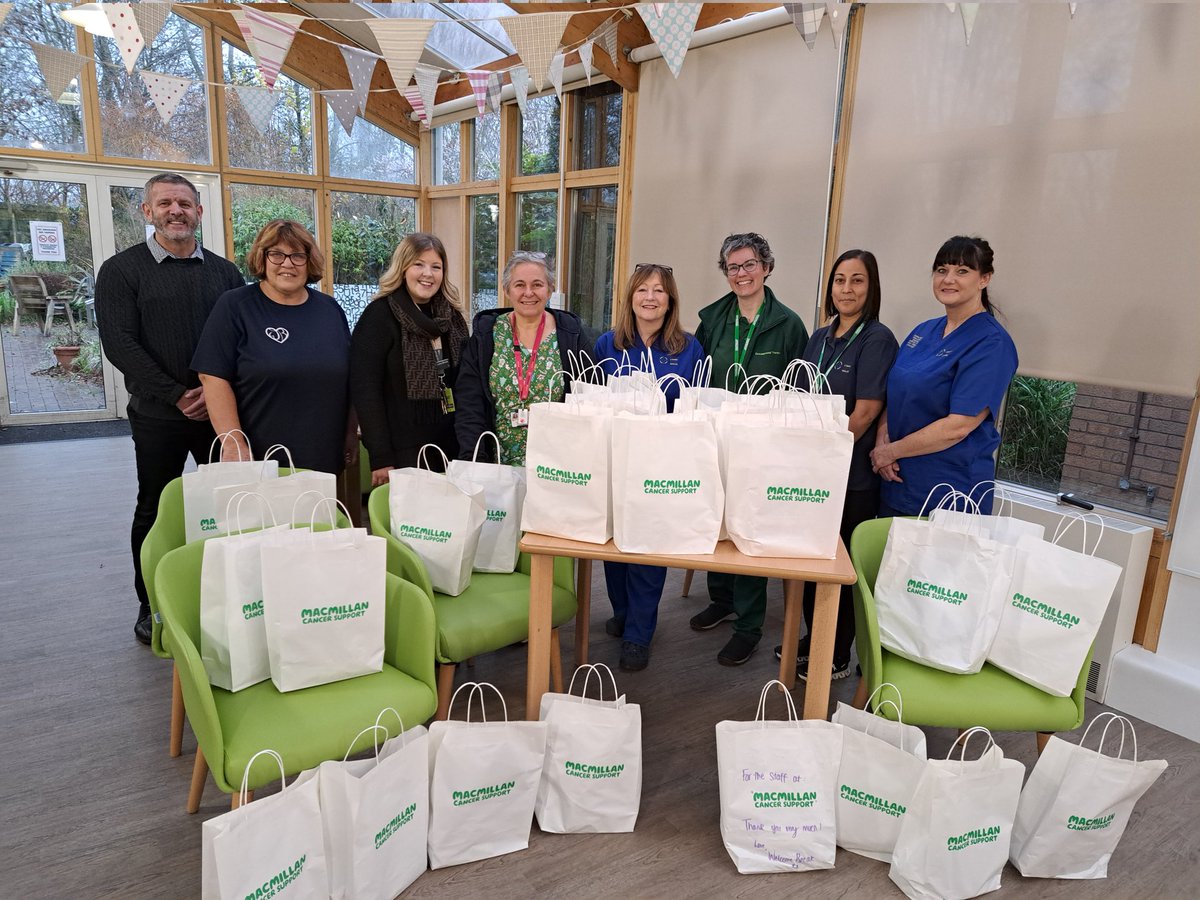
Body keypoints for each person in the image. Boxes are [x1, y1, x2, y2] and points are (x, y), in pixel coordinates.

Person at [95, 173, 243, 645]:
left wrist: (214, 393)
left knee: (227, 506)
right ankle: (151, 603)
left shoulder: (225, 274)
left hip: (219, 416)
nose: (175, 210)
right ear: (147, 212)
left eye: (184, 202)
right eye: (165, 203)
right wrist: (177, 393)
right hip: (158, 415)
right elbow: (120, 343)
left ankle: (226, 593)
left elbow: (240, 340)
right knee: (156, 509)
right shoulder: (121, 271)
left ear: (199, 212)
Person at [771, 249, 898, 680]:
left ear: (871, 287)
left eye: (857, 281)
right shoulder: (821, 337)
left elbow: (864, 413)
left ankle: (837, 653)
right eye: (840, 280)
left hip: (850, 478)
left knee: (838, 568)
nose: (847, 289)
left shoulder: (877, 339)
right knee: (811, 561)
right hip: (812, 471)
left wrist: (824, 457)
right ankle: (813, 637)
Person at [690, 232, 809, 666]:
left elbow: (799, 390)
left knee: (748, 530)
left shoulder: (789, 324)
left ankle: (750, 626)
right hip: (716, 437)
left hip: (762, 444)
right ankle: (722, 599)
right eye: (733, 267)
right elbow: (698, 374)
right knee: (714, 518)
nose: (741, 273)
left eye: (749, 265)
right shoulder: (715, 319)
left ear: (766, 267)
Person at [593, 263, 706, 672]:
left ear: (670, 299)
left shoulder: (688, 348)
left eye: (659, 291)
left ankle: (639, 633)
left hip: (662, 464)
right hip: (616, 460)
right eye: (642, 290)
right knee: (616, 545)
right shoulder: (608, 344)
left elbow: (695, 410)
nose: (650, 297)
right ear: (630, 298)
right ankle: (622, 612)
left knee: (648, 548)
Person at [191, 220, 355, 475]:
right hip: (259, 457)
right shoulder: (235, 306)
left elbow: (347, 379)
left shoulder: (329, 309)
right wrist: (233, 442)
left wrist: (349, 433)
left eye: (297, 256)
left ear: (309, 261)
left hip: (323, 454)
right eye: (276, 254)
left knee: (318, 516)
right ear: (262, 258)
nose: (287, 264)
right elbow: (212, 377)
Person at [870, 235, 1018, 516]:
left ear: (984, 279)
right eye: (942, 270)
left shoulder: (991, 343)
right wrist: (882, 441)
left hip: (950, 491)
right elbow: (896, 393)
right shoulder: (923, 331)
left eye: (962, 271)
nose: (949, 279)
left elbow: (958, 426)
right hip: (897, 480)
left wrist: (891, 452)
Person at [350, 233, 468, 483]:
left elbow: (464, 382)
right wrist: (381, 457)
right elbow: (365, 391)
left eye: (436, 266)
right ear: (403, 267)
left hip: (451, 447)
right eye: (419, 264)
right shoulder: (379, 316)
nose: (428, 274)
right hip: (403, 452)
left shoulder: (453, 318)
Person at [456, 251, 591, 465]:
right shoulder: (487, 335)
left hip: (556, 468)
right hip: (495, 465)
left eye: (537, 284)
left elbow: (588, 403)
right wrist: (475, 462)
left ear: (550, 289)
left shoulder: (571, 335)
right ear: (507, 290)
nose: (529, 293)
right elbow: (469, 404)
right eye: (519, 285)